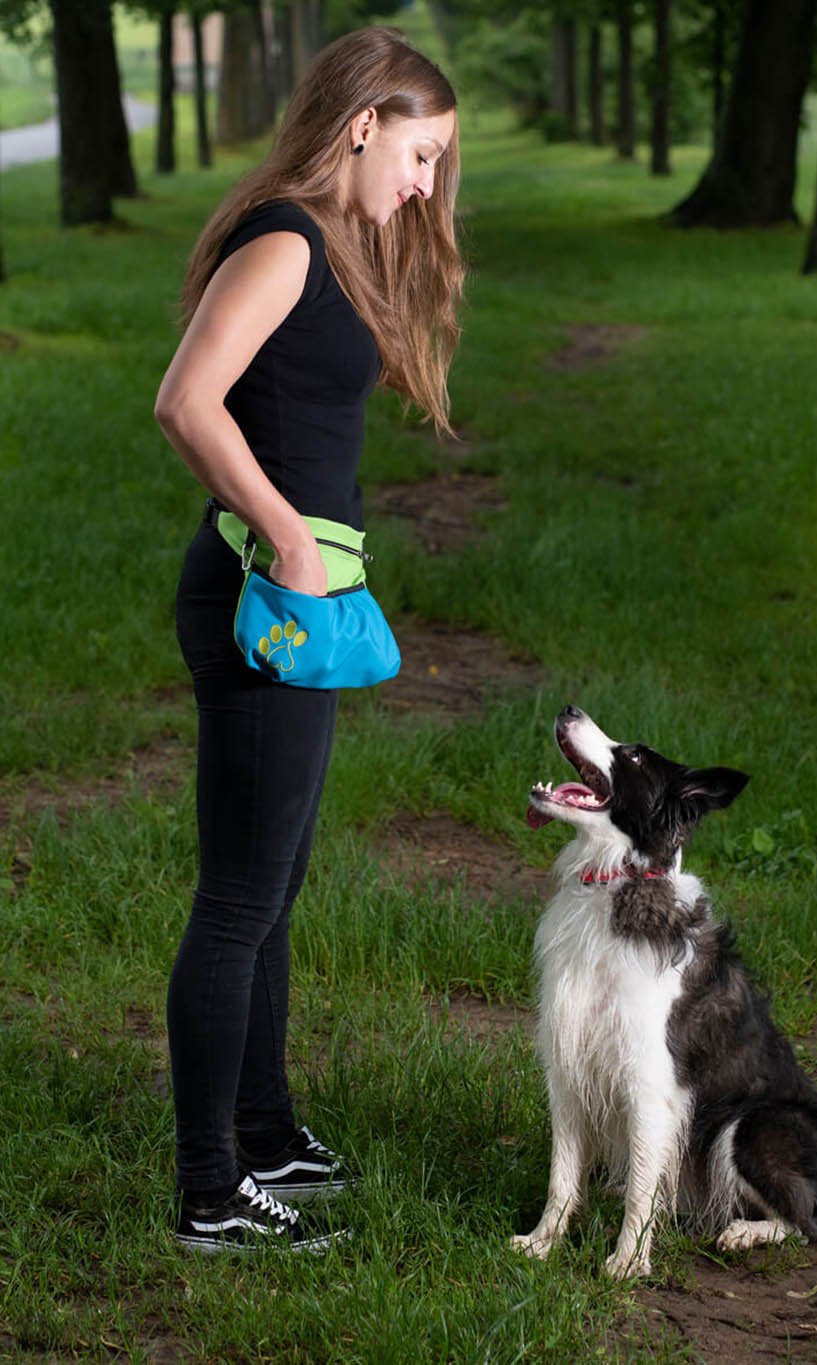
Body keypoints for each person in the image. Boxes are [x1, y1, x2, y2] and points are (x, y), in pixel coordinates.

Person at [154, 25, 463, 1253]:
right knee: (237, 898)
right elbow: (187, 399)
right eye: (422, 153)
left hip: (302, 597)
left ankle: (266, 1129)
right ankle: (209, 1189)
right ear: (361, 124)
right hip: (261, 599)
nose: (425, 183)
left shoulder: (331, 238)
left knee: (272, 886)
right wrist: (284, 534)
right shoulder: (284, 237)